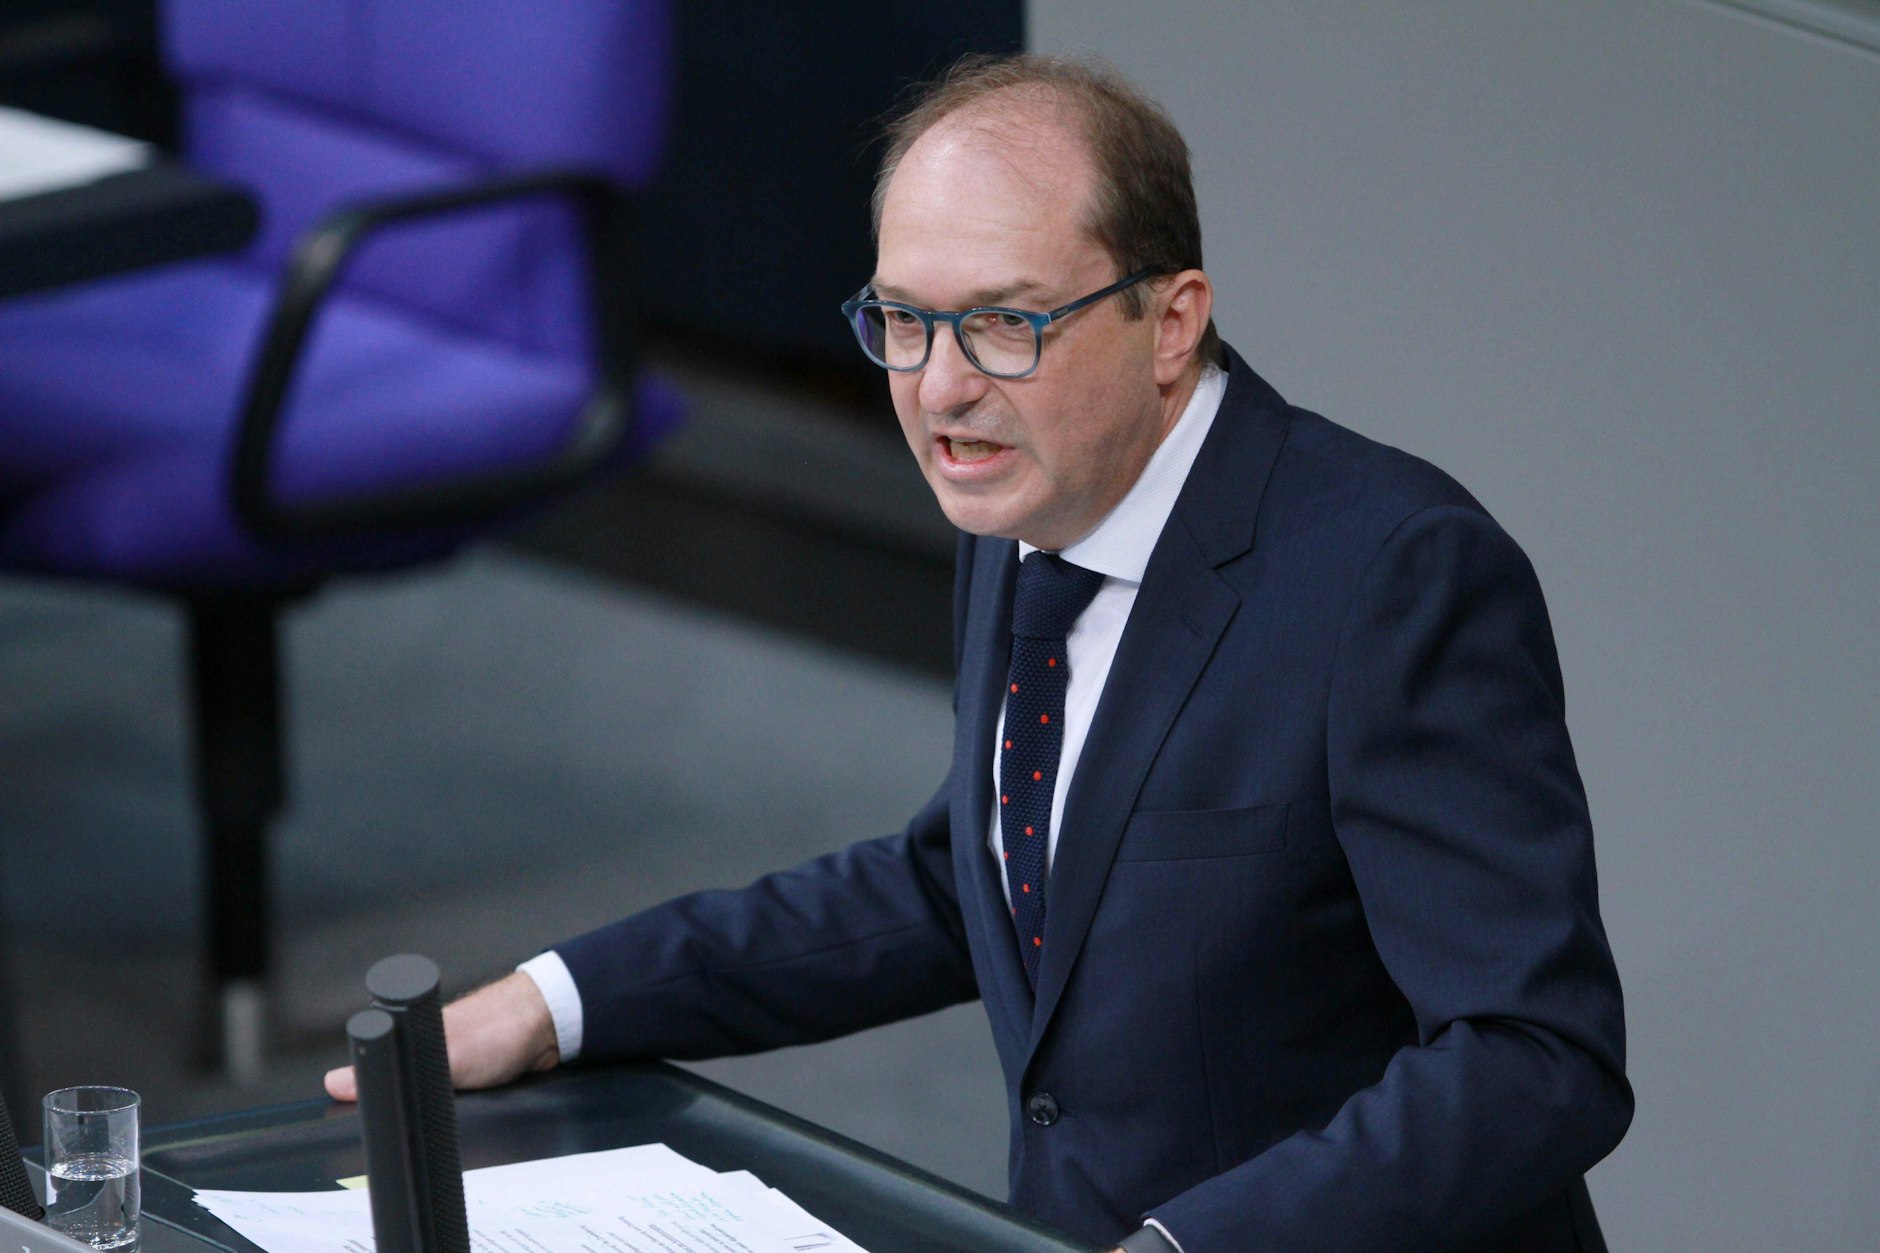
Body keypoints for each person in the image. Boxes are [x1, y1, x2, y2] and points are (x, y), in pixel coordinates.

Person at [327, 54, 1631, 1253]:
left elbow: (1534, 1053)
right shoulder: (1021, 505)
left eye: (1006, 323)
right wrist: (558, 1001)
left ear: (1171, 324)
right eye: (904, 318)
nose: (941, 388)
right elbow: (979, 884)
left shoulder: (1393, 578)